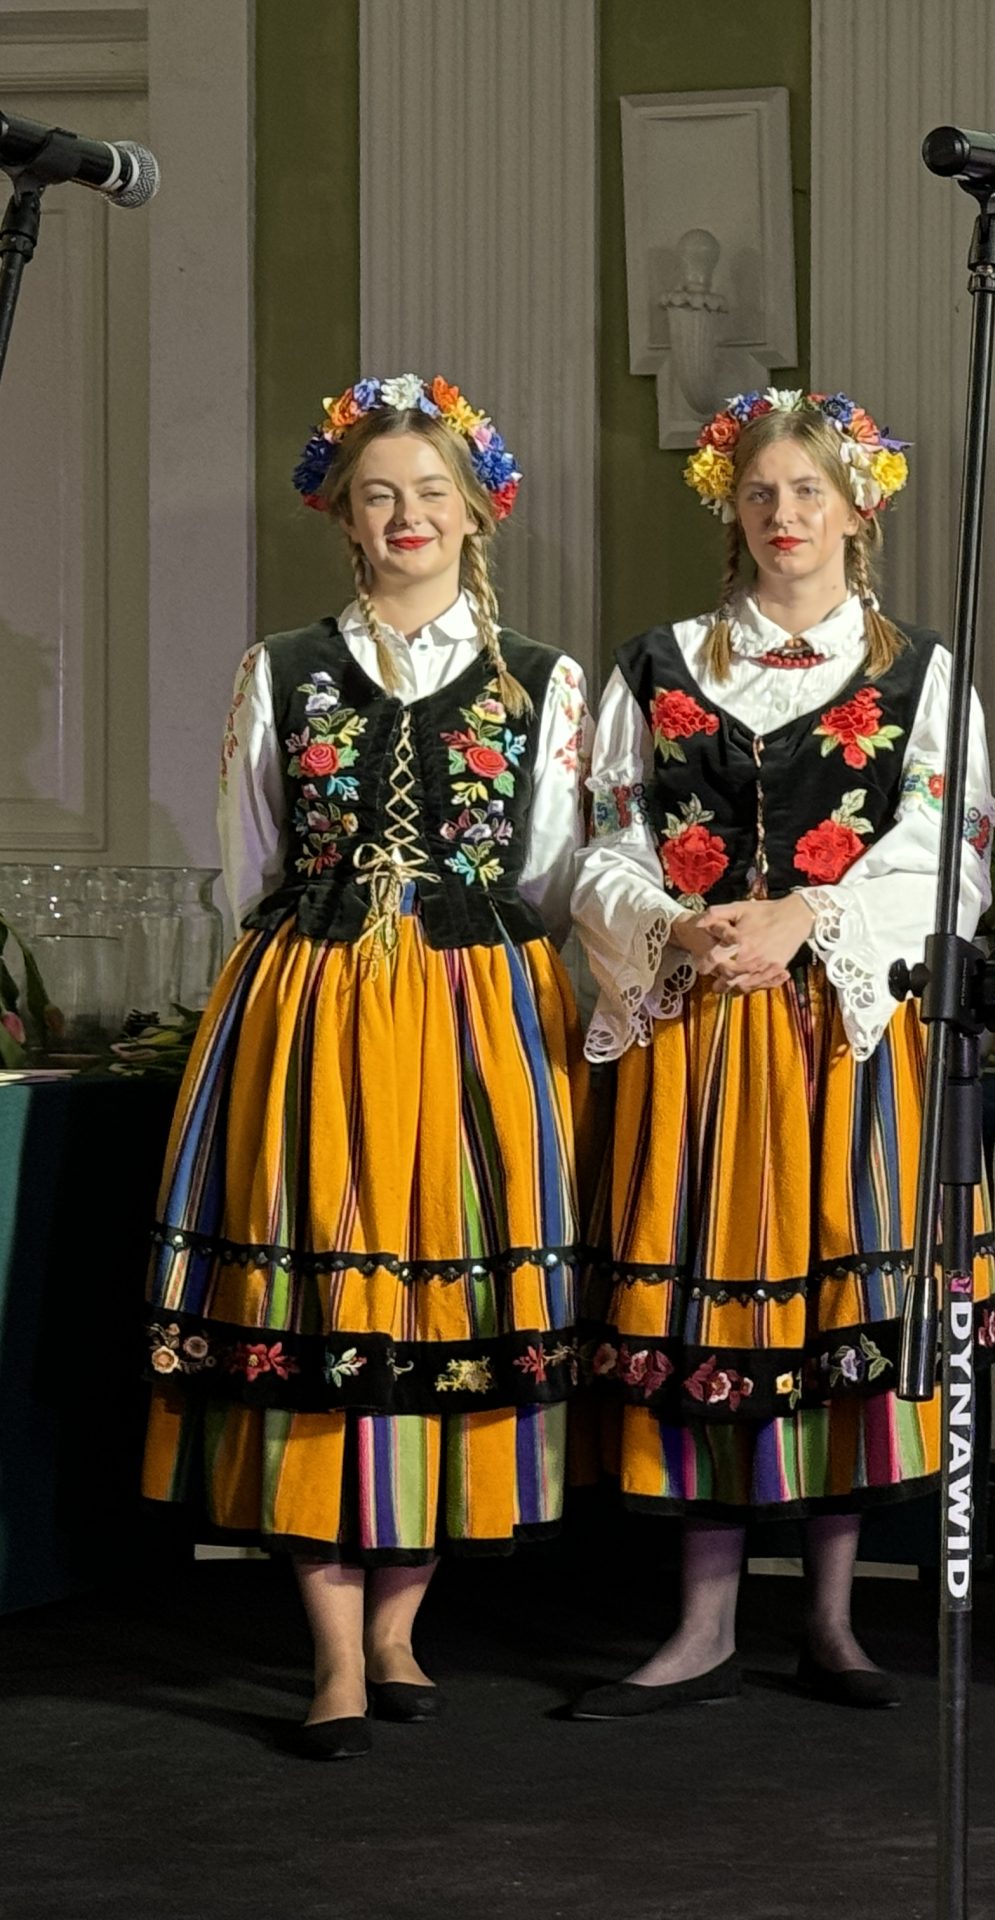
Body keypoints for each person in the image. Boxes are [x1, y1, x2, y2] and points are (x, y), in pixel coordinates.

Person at [142, 377, 585, 1760]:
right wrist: (325, 973)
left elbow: (553, 875)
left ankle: (399, 1627)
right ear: (342, 512)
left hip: (473, 1013)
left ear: (476, 509)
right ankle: (334, 1654)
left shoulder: (542, 680)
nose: (406, 516)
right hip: (317, 1008)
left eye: (430, 491)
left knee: (448, 1297)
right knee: (323, 1293)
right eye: (379, 493)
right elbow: (250, 865)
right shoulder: (281, 667)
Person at [567, 389, 994, 1719]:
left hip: (840, 1035)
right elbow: (600, 846)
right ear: (731, 509)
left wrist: (809, 917)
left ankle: (831, 1616)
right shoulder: (655, 668)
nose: (784, 513)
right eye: (760, 491)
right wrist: (676, 923)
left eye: (809, 490)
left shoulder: (924, 677)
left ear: (860, 509)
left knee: (833, 1310)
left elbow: (952, 856)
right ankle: (702, 1623)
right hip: (699, 1031)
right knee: (708, 1307)